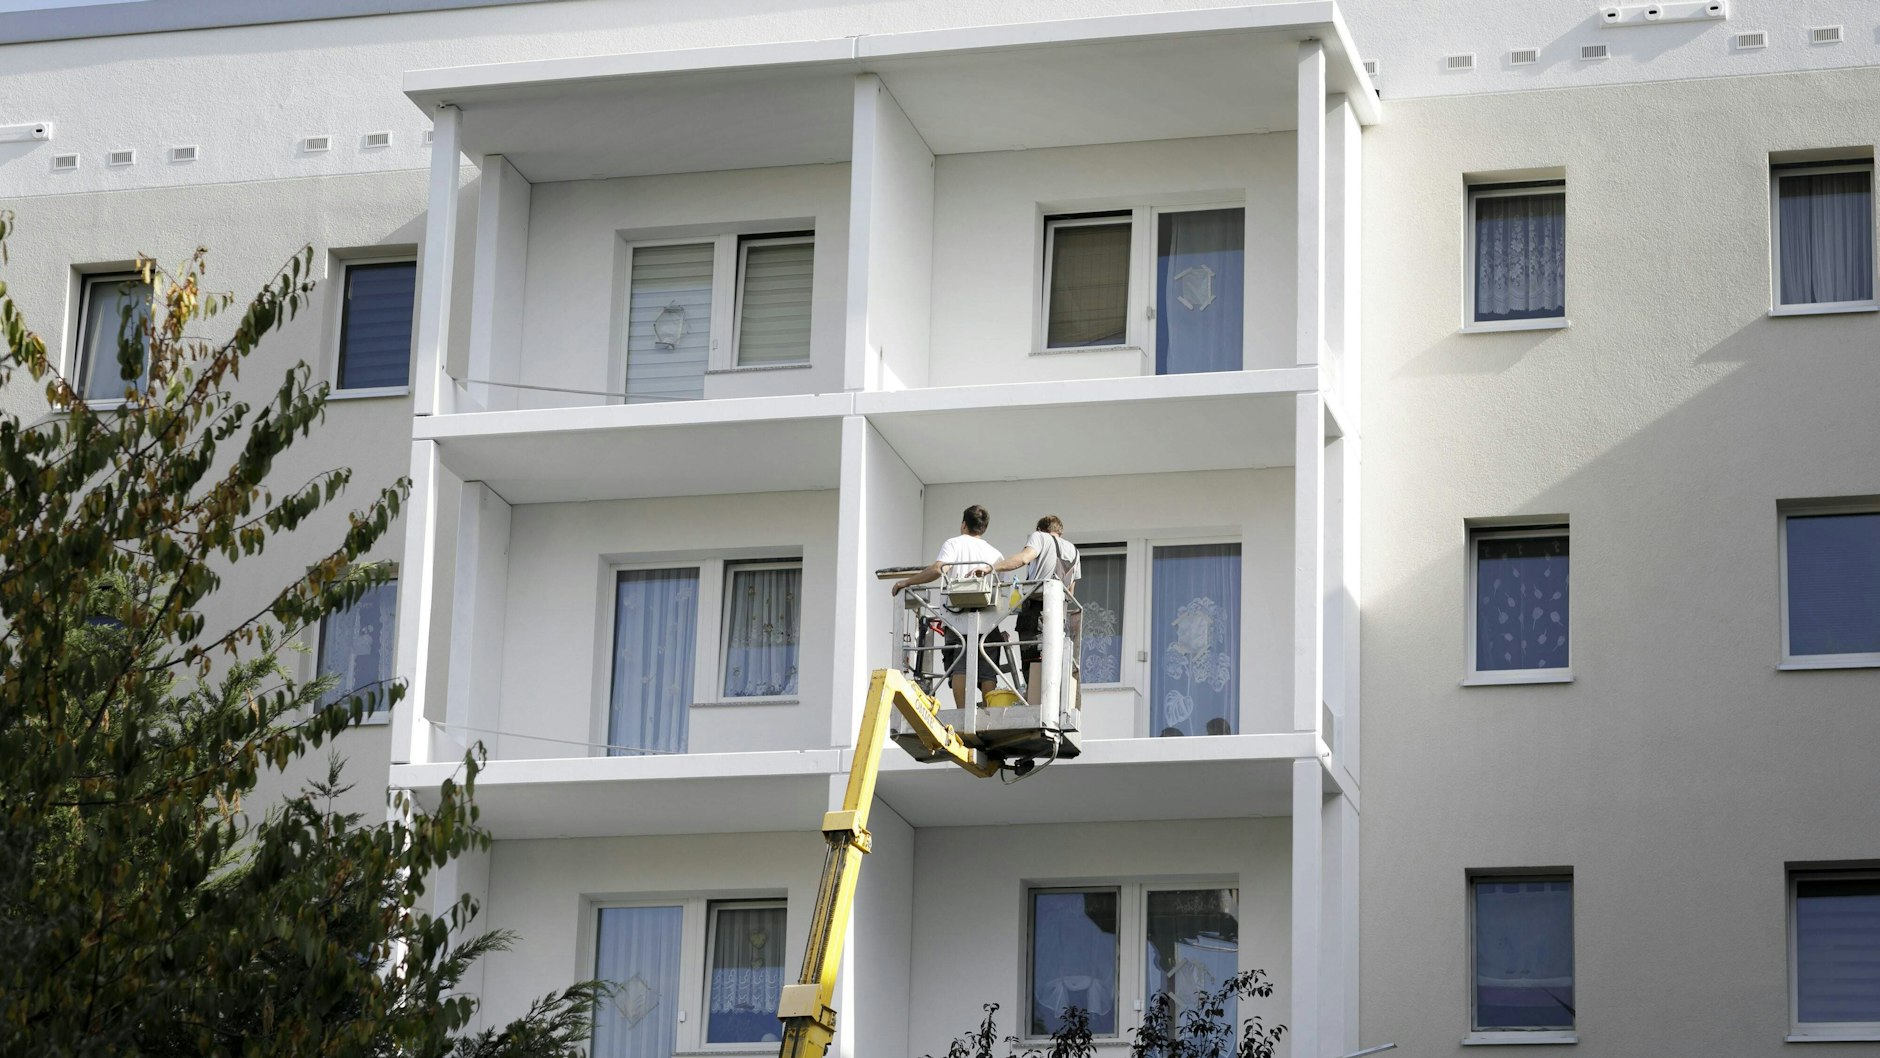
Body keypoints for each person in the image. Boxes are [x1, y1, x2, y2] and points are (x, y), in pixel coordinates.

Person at [892, 505, 1009, 707]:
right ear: (984, 528)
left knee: (959, 666)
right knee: (987, 671)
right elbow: (1002, 592)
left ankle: (962, 712)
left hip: (957, 618)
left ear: (964, 524)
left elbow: (938, 569)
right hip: (988, 620)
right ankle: (988, 714)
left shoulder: (954, 544)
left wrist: (907, 582)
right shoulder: (996, 555)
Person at [992, 515, 1081, 667]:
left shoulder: (1040, 537)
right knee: (1052, 665)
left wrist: (991, 568)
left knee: (1033, 667)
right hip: (1059, 618)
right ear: (1060, 532)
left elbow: (1024, 558)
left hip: (1035, 614)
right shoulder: (1074, 551)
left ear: (1040, 529)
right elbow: (1070, 592)